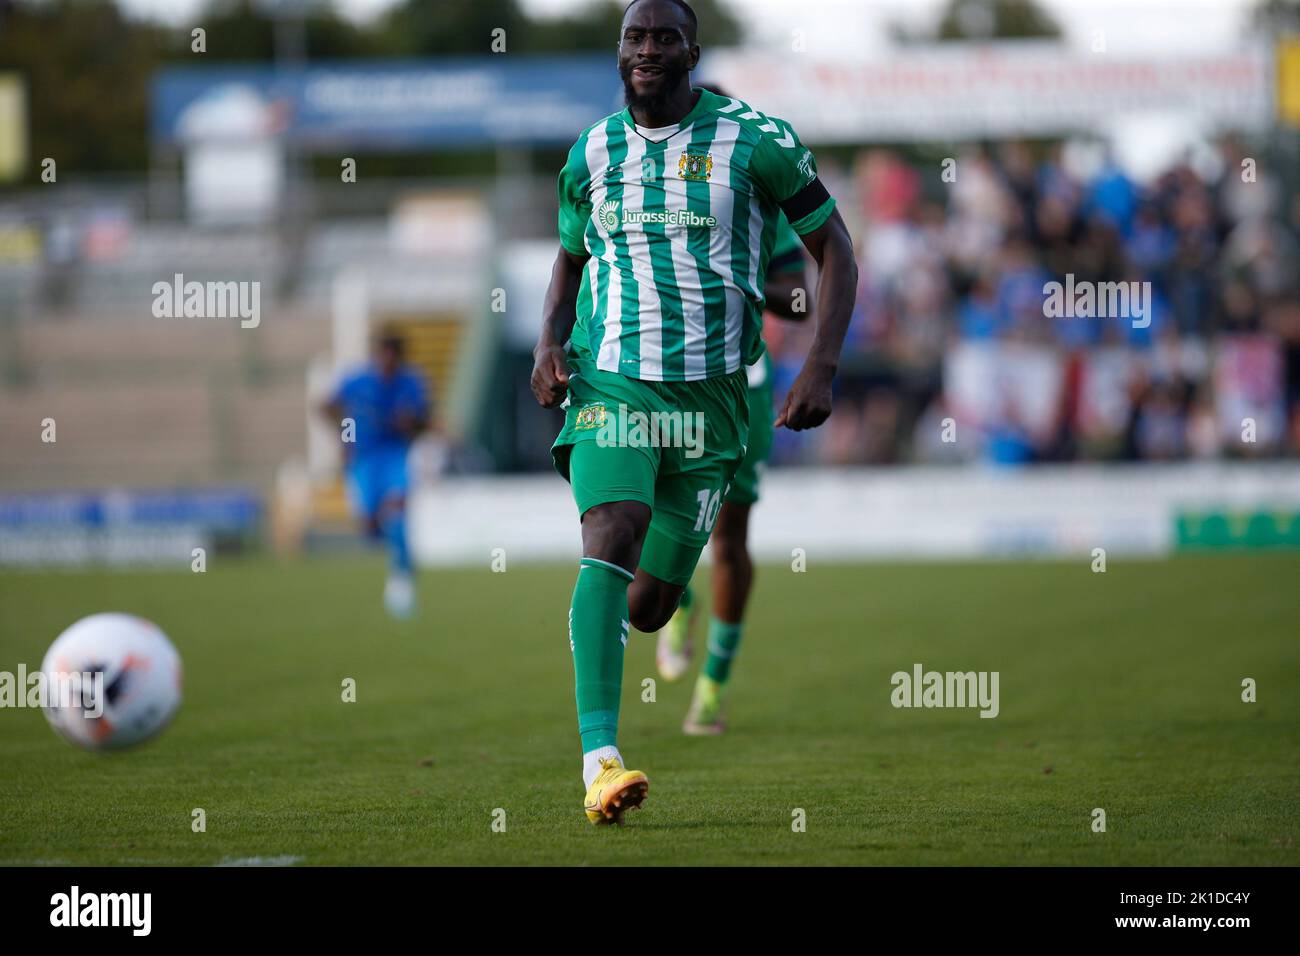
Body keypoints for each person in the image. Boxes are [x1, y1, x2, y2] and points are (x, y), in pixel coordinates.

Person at [530, 0, 857, 825]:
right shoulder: (593, 150)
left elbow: (835, 249)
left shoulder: (755, 141)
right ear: (620, 52)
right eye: (633, 38)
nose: (646, 51)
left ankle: (672, 617)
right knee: (610, 529)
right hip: (613, 383)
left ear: (691, 50)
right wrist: (548, 344)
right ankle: (600, 758)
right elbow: (569, 260)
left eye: (663, 38)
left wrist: (820, 362)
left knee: (649, 606)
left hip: (714, 404)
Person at [652, 90, 812, 737]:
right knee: (635, 519)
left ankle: (713, 689)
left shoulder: (756, 200)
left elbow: (800, 298)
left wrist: (734, 274)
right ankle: (677, 597)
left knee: (730, 541)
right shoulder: (639, 191)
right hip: (655, 382)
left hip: (738, 388)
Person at [321, 333, 430, 619]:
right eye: (383, 357)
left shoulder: (411, 383)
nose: (387, 364)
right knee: (369, 525)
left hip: (395, 455)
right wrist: (345, 438)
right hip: (364, 458)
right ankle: (396, 553)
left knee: (396, 512)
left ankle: (402, 578)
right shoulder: (357, 381)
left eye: (392, 359)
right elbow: (326, 406)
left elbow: (423, 421)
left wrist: (412, 424)